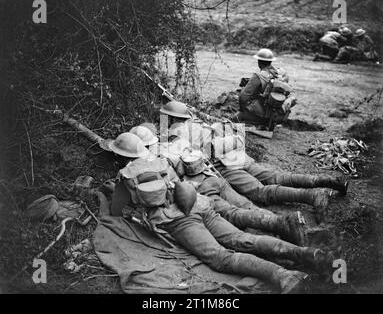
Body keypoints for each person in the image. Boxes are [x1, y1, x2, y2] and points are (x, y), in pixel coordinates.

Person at [103, 132, 333, 294]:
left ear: (120, 155)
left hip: (177, 221)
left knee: (221, 258)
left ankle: (283, 275)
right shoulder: (161, 161)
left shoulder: (125, 175)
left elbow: (116, 211)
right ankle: (307, 253)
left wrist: (113, 190)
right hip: (201, 205)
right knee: (242, 238)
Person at [158, 104, 349, 222]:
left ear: (173, 118)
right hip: (238, 155)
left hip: (224, 165)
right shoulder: (199, 121)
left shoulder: (178, 133)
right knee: (277, 177)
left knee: (260, 192)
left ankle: (313, 197)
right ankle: (326, 180)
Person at [131, 125, 309, 246]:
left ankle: (280, 236)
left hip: (201, 189)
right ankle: (288, 225)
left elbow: (174, 188)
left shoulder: (156, 161)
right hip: (214, 177)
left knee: (234, 215)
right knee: (248, 206)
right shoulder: (180, 142)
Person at [232, 48, 295, 130]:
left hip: (262, 114)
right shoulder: (280, 74)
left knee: (235, 118)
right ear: (271, 61)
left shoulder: (259, 76)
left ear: (259, 62)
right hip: (276, 115)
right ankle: (268, 123)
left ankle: (258, 122)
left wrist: (243, 110)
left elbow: (243, 97)